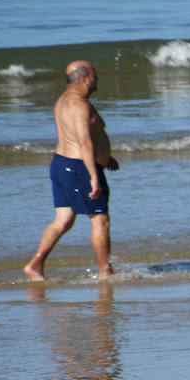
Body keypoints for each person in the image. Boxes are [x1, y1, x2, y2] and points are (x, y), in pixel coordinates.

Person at [24, 60, 120, 281]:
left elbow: (80, 138)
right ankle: (106, 272)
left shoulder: (63, 101)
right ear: (84, 79)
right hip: (80, 168)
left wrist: (106, 158)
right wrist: (94, 176)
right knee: (100, 219)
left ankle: (35, 265)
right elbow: (84, 142)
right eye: (95, 76)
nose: (97, 81)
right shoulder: (79, 105)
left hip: (62, 164)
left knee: (63, 219)